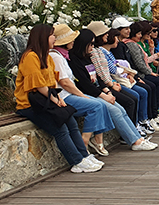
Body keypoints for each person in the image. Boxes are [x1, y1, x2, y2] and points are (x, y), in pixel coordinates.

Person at [14, 24, 103, 173]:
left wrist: (59, 99)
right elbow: (39, 85)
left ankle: (84, 156)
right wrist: (56, 101)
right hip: (31, 104)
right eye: (52, 35)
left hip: (46, 100)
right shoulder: (30, 57)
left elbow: (51, 82)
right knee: (60, 129)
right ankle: (76, 162)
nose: (55, 39)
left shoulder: (46, 56)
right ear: (43, 37)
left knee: (71, 121)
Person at [67, 29, 157, 151]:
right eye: (91, 44)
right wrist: (104, 95)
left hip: (99, 90)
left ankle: (138, 138)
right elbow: (85, 84)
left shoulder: (87, 57)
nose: (93, 47)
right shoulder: (74, 60)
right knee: (115, 111)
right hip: (89, 94)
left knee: (121, 109)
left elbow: (98, 77)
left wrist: (107, 91)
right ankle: (134, 141)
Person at [50, 24, 114, 157]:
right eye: (71, 39)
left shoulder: (63, 55)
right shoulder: (56, 56)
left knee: (100, 104)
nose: (73, 41)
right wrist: (82, 96)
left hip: (68, 93)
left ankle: (97, 140)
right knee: (96, 106)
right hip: (64, 95)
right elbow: (65, 82)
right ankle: (84, 142)